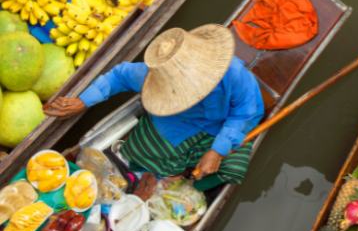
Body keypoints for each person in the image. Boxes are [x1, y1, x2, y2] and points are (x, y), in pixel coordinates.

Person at [45, 24, 265, 191]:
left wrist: (217, 150)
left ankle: (187, 177)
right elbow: (118, 76)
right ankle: (173, 173)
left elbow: (243, 113)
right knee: (141, 152)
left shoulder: (234, 75)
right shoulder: (153, 76)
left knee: (232, 167)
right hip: (178, 121)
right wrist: (82, 101)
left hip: (224, 124)